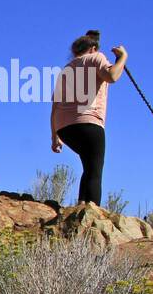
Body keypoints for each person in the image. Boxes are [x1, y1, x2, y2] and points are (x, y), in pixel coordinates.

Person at [51, 29, 127, 205]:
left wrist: (55, 136)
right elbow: (112, 76)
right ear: (93, 48)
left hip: (64, 128)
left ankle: (81, 209)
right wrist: (123, 57)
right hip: (89, 123)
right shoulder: (96, 58)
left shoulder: (66, 70)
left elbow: (55, 106)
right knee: (94, 172)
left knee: (88, 167)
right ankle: (91, 219)